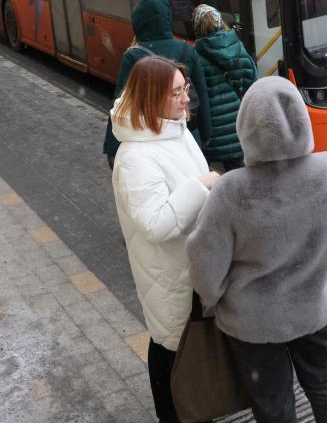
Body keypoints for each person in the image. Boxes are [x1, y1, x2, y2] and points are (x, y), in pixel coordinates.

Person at [187, 77, 327, 423]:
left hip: (254, 324)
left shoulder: (230, 192)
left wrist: (215, 298)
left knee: (274, 406)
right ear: (301, 118)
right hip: (315, 310)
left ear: (245, 127)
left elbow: (205, 266)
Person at [110, 56, 220, 423]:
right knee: (171, 346)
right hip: (167, 275)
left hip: (189, 269)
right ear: (152, 97)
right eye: (176, 93)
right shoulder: (133, 158)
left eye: (184, 88)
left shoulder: (174, 128)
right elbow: (155, 223)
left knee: (187, 350)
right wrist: (203, 185)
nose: (186, 98)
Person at [103, 0, 211, 167]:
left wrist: (113, 146)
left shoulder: (133, 56)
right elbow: (202, 95)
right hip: (187, 133)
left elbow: (122, 100)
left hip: (150, 133)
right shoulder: (187, 50)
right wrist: (206, 134)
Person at [192, 5, 258, 170]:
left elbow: (198, 100)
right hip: (240, 131)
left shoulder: (196, 58)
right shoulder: (240, 49)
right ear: (220, 22)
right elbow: (253, 90)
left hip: (214, 138)